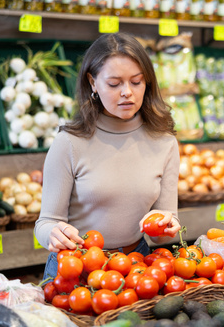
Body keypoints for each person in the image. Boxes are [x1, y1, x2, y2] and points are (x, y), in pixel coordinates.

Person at [34, 33, 181, 281]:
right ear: (92, 82)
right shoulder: (69, 142)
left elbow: (163, 227)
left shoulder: (165, 142)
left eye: (136, 82)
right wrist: (53, 233)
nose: (127, 93)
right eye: (114, 84)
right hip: (77, 267)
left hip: (136, 265)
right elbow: (46, 222)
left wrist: (168, 224)